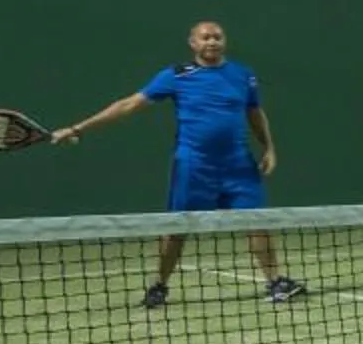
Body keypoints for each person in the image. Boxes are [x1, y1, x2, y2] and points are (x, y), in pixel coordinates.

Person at [53, 19, 305, 307]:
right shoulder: (176, 75)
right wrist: (77, 129)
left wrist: (269, 148)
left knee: (258, 223)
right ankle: (158, 286)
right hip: (193, 165)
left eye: (217, 37)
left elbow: (255, 113)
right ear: (193, 43)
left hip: (238, 165)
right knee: (176, 228)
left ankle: (275, 283)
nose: (212, 41)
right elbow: (128, 104)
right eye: (205, 37)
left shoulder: (243, 75)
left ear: (224, 41)